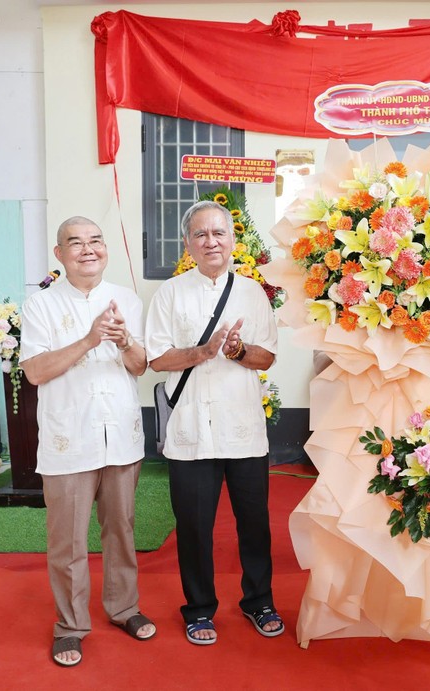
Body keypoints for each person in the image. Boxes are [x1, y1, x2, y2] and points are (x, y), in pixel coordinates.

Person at [20, 216, 155, 667]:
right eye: (75, 243)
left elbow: (139, 366)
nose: (88, 249)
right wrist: (89, 338)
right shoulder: (38, 305)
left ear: (105, 249)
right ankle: (70, 626)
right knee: (68, 543)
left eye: (95, 241)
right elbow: (35, 372)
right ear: (59, 255)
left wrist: (123, 341)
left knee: (122, 530)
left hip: (120, 435)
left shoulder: (128, 299)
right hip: (69, 440)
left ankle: (124, 608)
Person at [145, 200, 281, 646]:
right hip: (189, 433)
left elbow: (268, 356)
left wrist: (239, 350)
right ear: (188, 244)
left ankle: (258, 601)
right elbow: (157, 358)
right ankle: (199, 609)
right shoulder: (169, 294)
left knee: (254, 524)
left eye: (218, 233)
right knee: (194, 527)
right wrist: (203, 352)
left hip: (243, 431)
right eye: (200, 235)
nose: (211, 242)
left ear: (233, 240)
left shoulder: (253, 293)